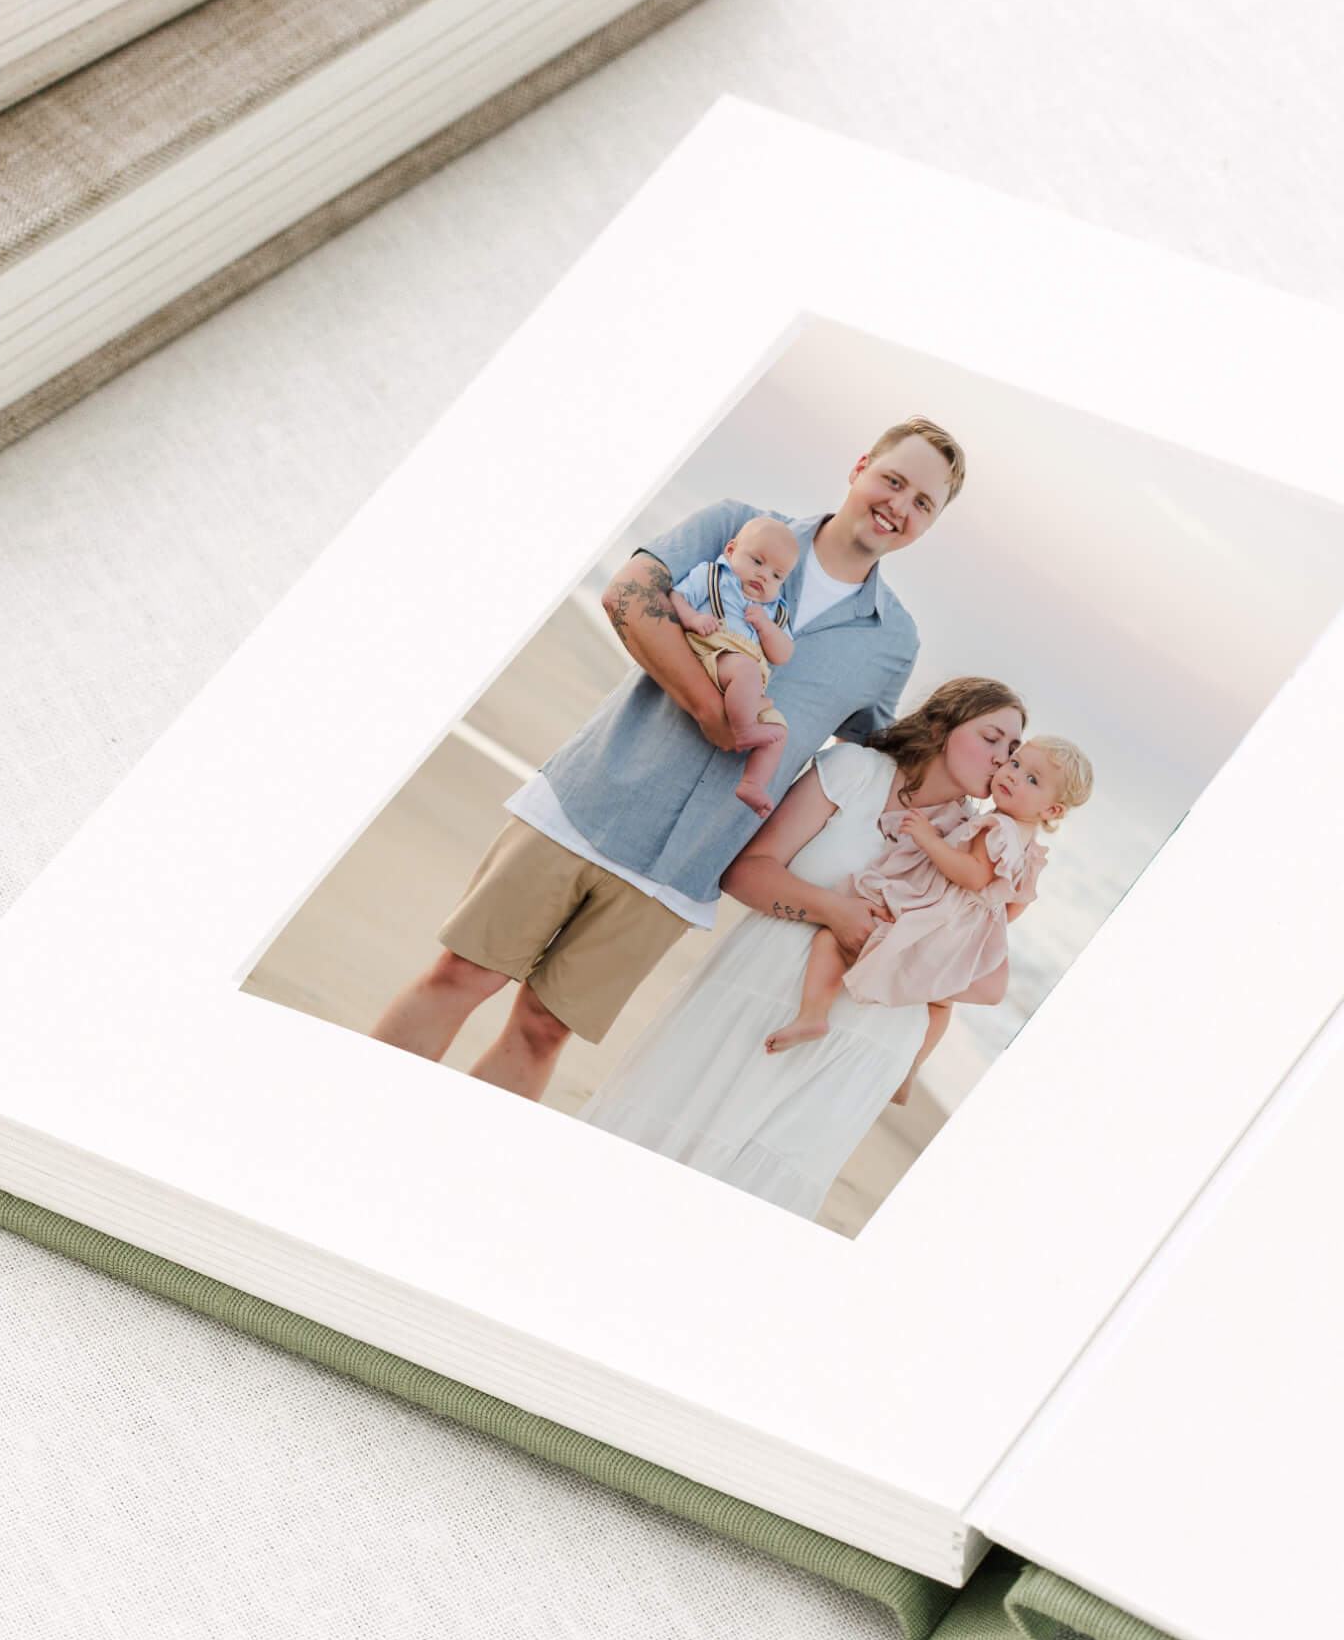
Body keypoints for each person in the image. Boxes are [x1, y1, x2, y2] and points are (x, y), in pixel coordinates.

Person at [370, 418, 965, 1100]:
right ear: (861, 467)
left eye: (924, 502)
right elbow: (628, 595)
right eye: (894, 480)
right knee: (461, 975)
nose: (900, 505)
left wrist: (977, 828)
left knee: (542, 1029)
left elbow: (867, 769)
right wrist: (711, 712)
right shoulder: (737, 526)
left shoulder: (893, 641)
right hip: (589, 800)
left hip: (684, 868)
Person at [577, 680, 1028, 1219]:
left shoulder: (980, 843)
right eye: (992, 738)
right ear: (939, 727)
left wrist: (891, 948)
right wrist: (834, 911)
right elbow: (746, 873)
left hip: (861, 1047)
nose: (1003, 759)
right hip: (756, 997)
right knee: (646, 1156)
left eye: (1014, 752)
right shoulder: (854, 771)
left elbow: (987, 982)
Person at [768, 735, 1094, 1066]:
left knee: (831, 940)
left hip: (934, 912)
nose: (1012, 774)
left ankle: (813, 1015)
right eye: (1015, 763)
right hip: (961, 930)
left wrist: (928, 840)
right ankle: (911, 1069)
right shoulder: (1030, 848)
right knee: (940, 1002)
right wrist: (974, 922)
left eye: (1032, 779)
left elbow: (973, 875)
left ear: (1052, 809)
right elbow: (1015, 905)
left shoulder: (996, 826)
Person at [665, 514, 799, 819]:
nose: (764, 576)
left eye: (777, 576)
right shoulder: (713, 576)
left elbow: (783, 653)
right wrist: (693, 618)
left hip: (747, 677)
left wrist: (766, 628)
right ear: (730, 550)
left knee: (779, 730)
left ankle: (752, 784)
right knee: (746, 671)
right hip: (714, 650)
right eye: (757, 561)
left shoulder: (775, 611)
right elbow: (677, 597)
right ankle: (743, 729)